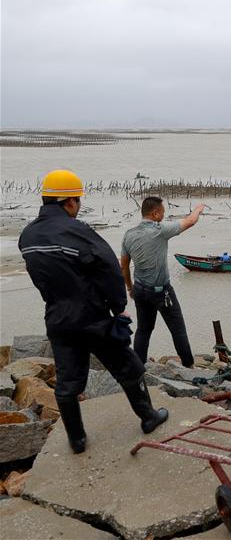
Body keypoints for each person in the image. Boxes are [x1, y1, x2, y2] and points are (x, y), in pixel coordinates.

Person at [18, 170, 168, 454]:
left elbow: (40, 276)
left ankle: (77, 440)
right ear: (70, 202)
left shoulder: (28, 236)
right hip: (93, 318)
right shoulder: (78, 231)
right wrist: (118, 308)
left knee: (68, 381)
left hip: (57, 318)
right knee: (129, 367)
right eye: (78, 200)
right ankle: (148, 418)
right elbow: (109, 269)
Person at [121, 197, 206, 367]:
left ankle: (138, 367)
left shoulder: (128, 235)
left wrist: (130, 288)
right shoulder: (160, 230)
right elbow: (190, 221)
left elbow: (124, 266)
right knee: (177, 329)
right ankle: (189, 365)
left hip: (139, 290)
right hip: (161, 292)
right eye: (163, 213)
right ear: (155, 213)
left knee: (144, 330)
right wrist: (198, 209)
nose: (163, 216)